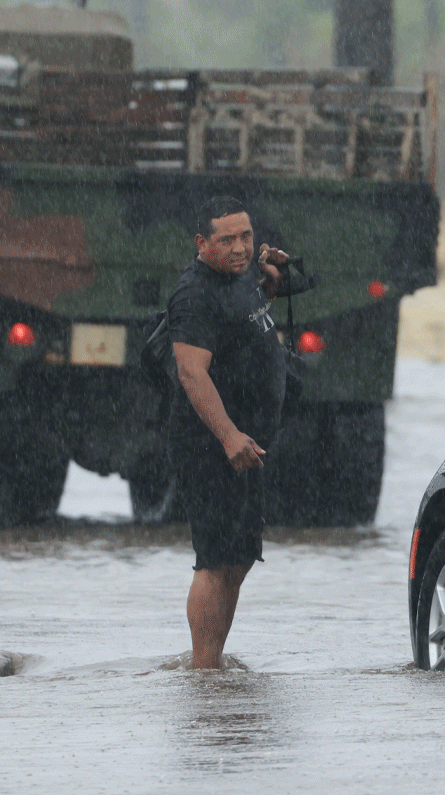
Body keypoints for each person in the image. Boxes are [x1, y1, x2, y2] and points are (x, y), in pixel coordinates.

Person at [166, 195, 292, 669]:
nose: (241, 248)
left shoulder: (241, 277)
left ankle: (212, 661)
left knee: (239, 556)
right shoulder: (193, 294)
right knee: (215, 559)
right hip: (212, 444)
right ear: (203, 243)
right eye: (227, 239)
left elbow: (246, 323)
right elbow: (191, 373)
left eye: (246, 236)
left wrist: (273, 284)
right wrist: (228, 436)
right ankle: (203, 671)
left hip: (248, 443)